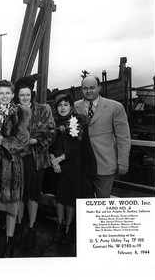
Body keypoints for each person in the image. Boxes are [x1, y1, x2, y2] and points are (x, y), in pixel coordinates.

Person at [0, 80, 30, 257]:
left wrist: (3, 141)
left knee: (10, 205)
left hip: (10, 164)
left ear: (13, 94)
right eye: (1, 93)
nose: (4, 96)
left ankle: (9, 242)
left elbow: (23, 142)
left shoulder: (20, 112)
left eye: (8, 93)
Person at [13, 75, 56, 250]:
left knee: (33, 196)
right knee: (19, 196)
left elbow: (51, 133)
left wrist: (36, 142)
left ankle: (31, 228)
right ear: (17, 95)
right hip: (17, 160)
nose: (24, 98)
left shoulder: (43, 110)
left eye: (27, 94)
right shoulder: (13, 111)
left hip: (36, 160)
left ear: (32, 94)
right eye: (21, 95)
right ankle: (18, 226)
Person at [74, 75, 131, 198]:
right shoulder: (74, 106)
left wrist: (123, 162)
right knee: (83, 201)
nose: (88, 91)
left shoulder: (115, 107)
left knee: (102, 202)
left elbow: (123, 136)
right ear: (81, 89)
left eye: (92, 87)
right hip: (81, 165)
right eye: (85, 88)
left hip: (104, 164)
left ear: (99, 88)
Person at [49, 94, 89, 244]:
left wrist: (58, 160)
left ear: (71, 107)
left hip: (72, 165)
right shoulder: (54, 123)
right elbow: (50, 144)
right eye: (60, 105)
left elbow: (76, 148)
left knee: (70, 198)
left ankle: (67, 228)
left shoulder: (75, 121)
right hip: (56, 166)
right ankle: (59, 225)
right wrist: (53, 159)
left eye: (66, 104)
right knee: (59, 197)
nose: (63, 108)